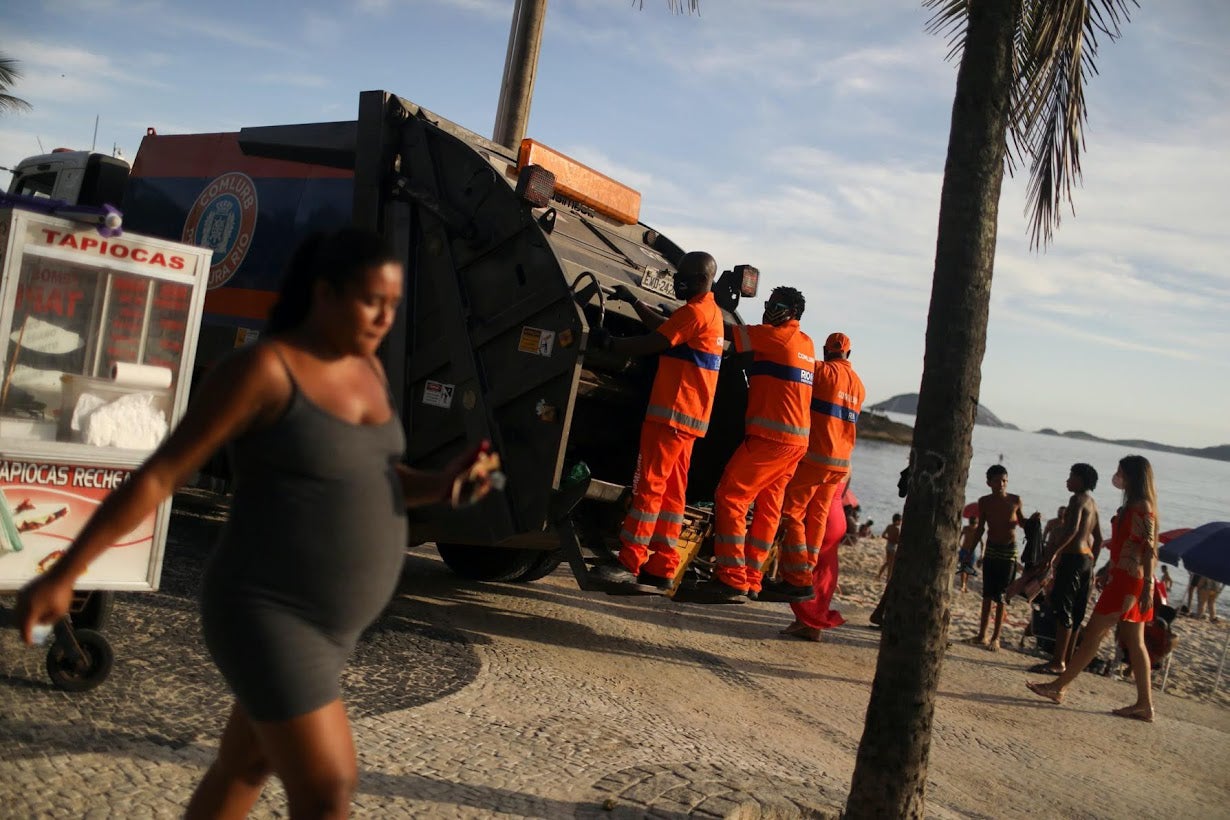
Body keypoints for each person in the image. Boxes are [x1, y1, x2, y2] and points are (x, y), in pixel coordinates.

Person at [16, 229, 500, 818]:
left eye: (393, 305)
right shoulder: (264, 370)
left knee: (244, 767)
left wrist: (441, 484)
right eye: (372, 300)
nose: (384, 317)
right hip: (268, 612)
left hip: (332, 627)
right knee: (328, 790)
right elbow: (159, 476)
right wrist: (67, 571)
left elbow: (370, 470)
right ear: (323, 292)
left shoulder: (367, 367)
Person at [586, 252, 724, 593]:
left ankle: (629, 562)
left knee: (648, 486)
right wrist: (633, 301)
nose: (679, 281)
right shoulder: (709, 312)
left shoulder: (695, 311)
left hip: (670, 414)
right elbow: (666, 331)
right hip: (689, 419)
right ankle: (662, 565)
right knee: (674, 495)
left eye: (685, 276)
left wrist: (611, 344)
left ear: (700, 280)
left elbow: (654, 342)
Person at [680, 287, 814, 603]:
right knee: (768, 507)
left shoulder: (775, 336)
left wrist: (703, 313)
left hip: (771, 440)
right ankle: (752, 579)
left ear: (792, 312)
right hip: (796, 442)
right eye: (767, 304)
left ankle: (730, 578)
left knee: (731, 496)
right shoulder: (806, 343)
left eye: (777, 305)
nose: (769, 309)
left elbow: (725, 331)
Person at [1027, 455, 1160, 722]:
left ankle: (1058, 686)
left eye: (1121, 472)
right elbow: (1127, 545)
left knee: (1094, 636)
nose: (1117, 476)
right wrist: (1107, 569)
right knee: (1135, 643)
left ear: (1132, 476)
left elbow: (1147, 548)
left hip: (1129, 582)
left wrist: (1147, 586)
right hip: (1123, 577)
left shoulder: (1142, 506)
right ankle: (1144, 705)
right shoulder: (1134, 505)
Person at [761, 330, 864, 607]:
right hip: (841, 464)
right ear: (848, 354)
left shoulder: (821, 371)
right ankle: (806, 569)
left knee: (791, 512)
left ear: (825, 350)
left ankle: (797, 579)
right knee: (817, 516)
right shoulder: (859, 385)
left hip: (817, 456)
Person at [1030, 463, 1102, 675]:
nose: (1067, 480)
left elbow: (1070, 530)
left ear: (1081, 480)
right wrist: (1093, 563)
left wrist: (1053, 554)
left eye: (1071, 476)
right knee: (1076, 613)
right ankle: (1067, 660)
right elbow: (1098, 539)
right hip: (1086, 561)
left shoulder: (1076, 500)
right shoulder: (1093, 503)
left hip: (1073, 559)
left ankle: (1057, 662)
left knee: (1063, 610)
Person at [962, 465, 1026, 651]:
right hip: (991, 550)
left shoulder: (1015, 500)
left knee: (1002, 597)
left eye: (1004, 480)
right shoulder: (984, 502)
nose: (1001, 484)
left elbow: (1022, 523)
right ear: (989, 482)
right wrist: (969, 552)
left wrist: (1033, 522)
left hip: (1008, 552)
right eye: (997, 480)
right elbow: (981, 528)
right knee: (988, 594)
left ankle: (995, 638)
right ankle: (982, 635)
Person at [779, 483, 851, 641]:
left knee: (800, 567)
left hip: (820, 516)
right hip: (837, 517)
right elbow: (843, 491)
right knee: (824, 572)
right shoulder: (846, 462)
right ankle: (811, 624)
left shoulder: (819, 457)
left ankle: (807, 622)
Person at [956, 516, 980, 593]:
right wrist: (958, 543)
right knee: (963, 568)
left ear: (977, 524)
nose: (972, 526)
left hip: (972, 552)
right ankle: (963, 585)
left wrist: (982, 554)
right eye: (971, 523)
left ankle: (964, 585)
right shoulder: (966, 528)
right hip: (964, 550)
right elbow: (960, 535)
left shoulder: (977, 530)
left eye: (974, 524)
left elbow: (982, 543)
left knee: (967, 570)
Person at [877, 514, 902, 582]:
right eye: (900, 521)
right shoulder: (897, 529)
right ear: (897, 521)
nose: (900, 522)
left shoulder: (889, 526)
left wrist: (889, 539)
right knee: (891, 565)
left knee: (887, 562)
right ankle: (888, 579)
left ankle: (879, 575)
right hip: (893, 547)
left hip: (888, 546)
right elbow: (897, 540)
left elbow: (883, 535)